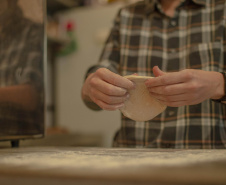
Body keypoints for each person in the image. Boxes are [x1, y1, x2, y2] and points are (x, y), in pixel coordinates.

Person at [81, 0, 226, 148]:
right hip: (132, 159)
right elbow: (101, 74)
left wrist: (220, 85)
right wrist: (91, 87)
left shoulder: (222, 9)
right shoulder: (127, 15)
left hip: (209, 161)